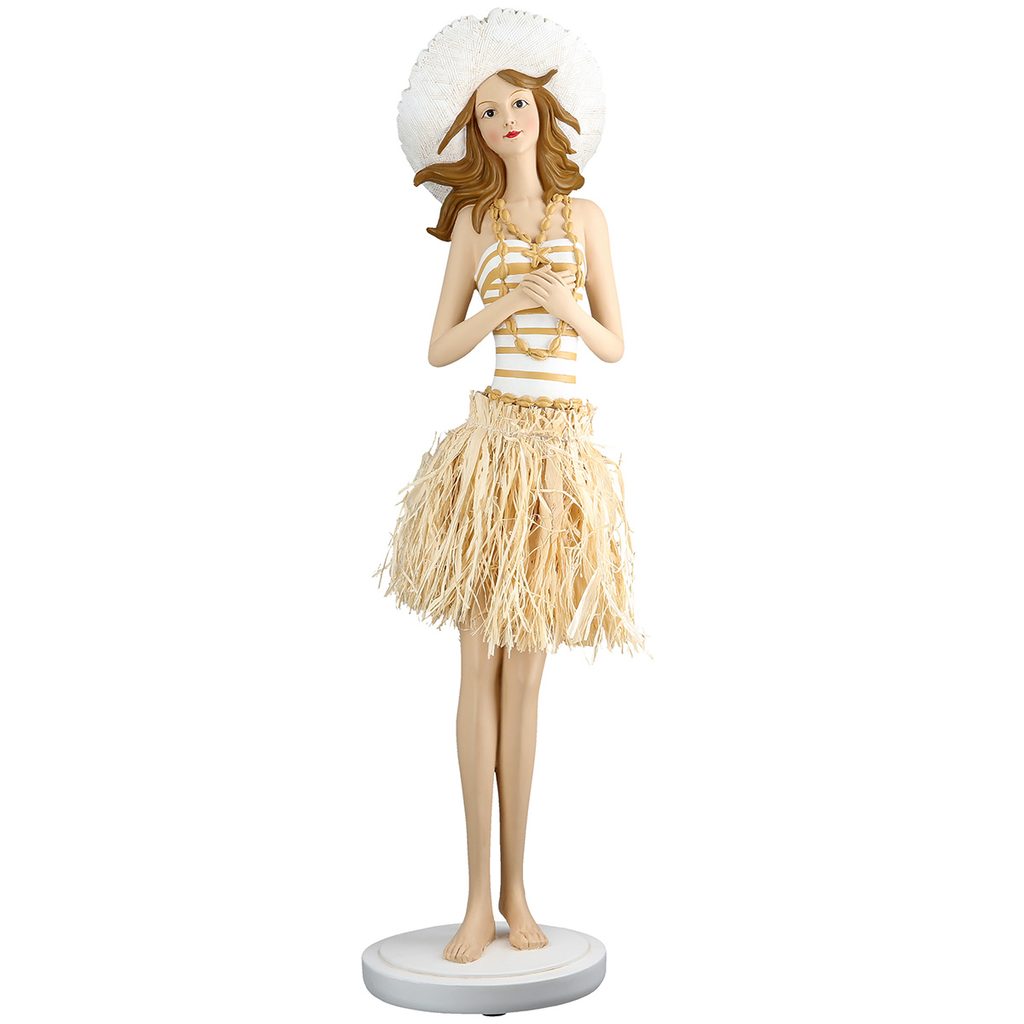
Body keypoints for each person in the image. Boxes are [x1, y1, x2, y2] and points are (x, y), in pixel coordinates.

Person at [374, 8, 649, 965]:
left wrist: (564, 305)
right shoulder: (475, 224)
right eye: (487, 113)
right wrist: (501, 304)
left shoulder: (588, 220)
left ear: (545, 110)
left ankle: (521, 889)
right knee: (477, 667)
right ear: (475, 130)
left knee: (528, 673)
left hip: (561, 463)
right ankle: (475, 897)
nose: (504, 122)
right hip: (491, 458)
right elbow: (440, 346)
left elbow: (614, 345)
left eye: (516, 104)